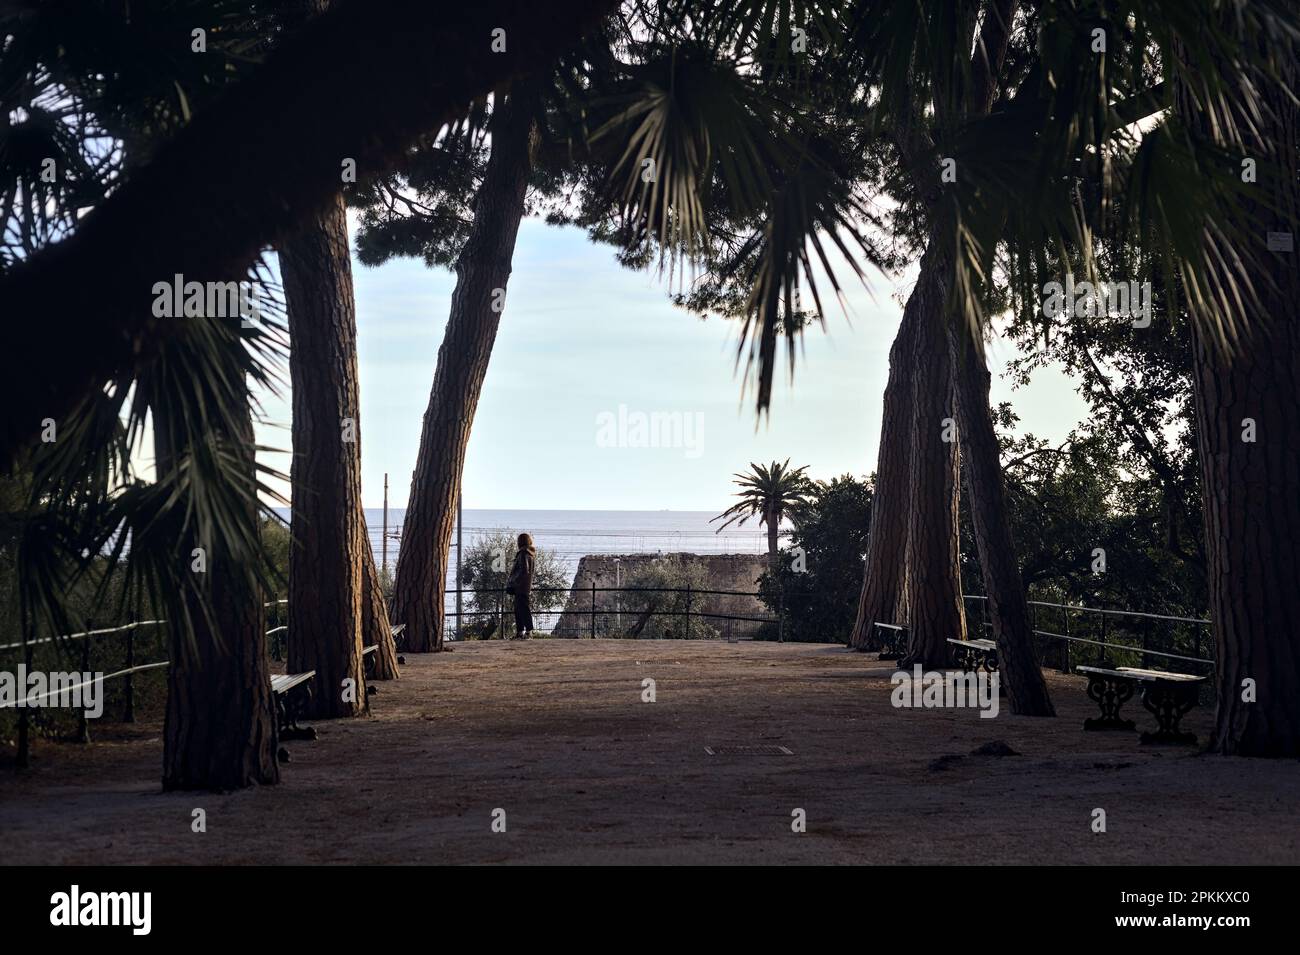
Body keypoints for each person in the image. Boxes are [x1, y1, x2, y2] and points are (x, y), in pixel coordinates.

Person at [506, 532, 536, 639]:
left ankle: (527, 632)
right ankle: (522, 632)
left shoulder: (523, 554)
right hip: (526, 586)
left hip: (520, 586)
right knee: (520, 609)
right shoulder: (530, 554)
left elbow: (523, 570)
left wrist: (513, 581)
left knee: (522, 609)